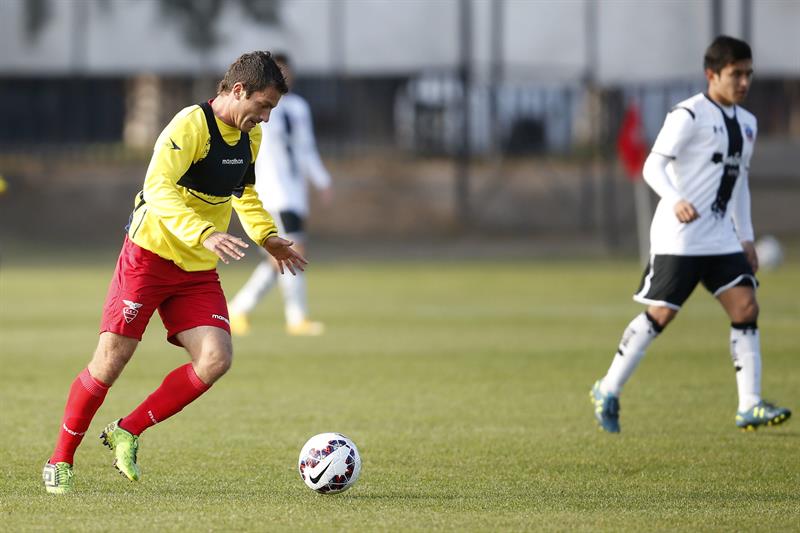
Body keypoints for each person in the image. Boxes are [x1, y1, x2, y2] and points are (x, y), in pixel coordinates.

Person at [42, 51, 307, 494]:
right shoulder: (191, 124)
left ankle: (126, 430)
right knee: (110, 361)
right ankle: (59, 460)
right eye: (262, 106)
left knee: (216, 359)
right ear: (238, 90)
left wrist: (266, 236)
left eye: (271, 111)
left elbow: (243, 192)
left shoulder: (250, 137)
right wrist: (203, 232)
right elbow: (157, 189)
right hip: (148, 257)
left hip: (196, 269)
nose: (264, 118)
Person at [590, 36, 791, 434]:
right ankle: (607, 388)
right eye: (736, 74)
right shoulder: (689, 115)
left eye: (749, 74)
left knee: (746, 308)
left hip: (719, 238)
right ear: (712, 74)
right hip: (679, 238)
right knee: (661, 314)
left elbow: (740, 185)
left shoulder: (747, 124)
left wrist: (746, 236)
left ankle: (749, 404)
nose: (744, 82)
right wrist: (676, 198)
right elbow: (652, 167)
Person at [228, 53, 332, 337]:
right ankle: (296, 317)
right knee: (292, 252)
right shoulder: (257, 107)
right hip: (271, 193)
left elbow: (306, 148)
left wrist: (321, 179)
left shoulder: (298, 108)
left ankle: (239, 308)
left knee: (281, 257)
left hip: (294, 193)